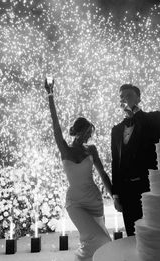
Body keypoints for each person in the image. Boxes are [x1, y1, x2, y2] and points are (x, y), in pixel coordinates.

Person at [44, 78, 112, 261]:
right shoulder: (65, 149)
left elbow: (103, 174)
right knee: (102, 239)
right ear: (77, 131)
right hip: (75, 203)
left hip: (94, 201)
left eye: (90, 134)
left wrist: (115, 196)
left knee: (99, 246)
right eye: (86, 132)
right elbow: (55, 125)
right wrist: (50, 95)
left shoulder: (92, 150)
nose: (88, 136)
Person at [111, 84, 160, 236]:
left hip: (148, 186)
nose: (124, 99)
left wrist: (136, 112)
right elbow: (115, 162)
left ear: (139, 98)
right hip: (127, 191)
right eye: (121, 97)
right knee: (132, 235)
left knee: (152, 233)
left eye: (128, 95)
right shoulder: (116, 130)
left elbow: (159, 131)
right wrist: (116, 195)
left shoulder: (154, 117)